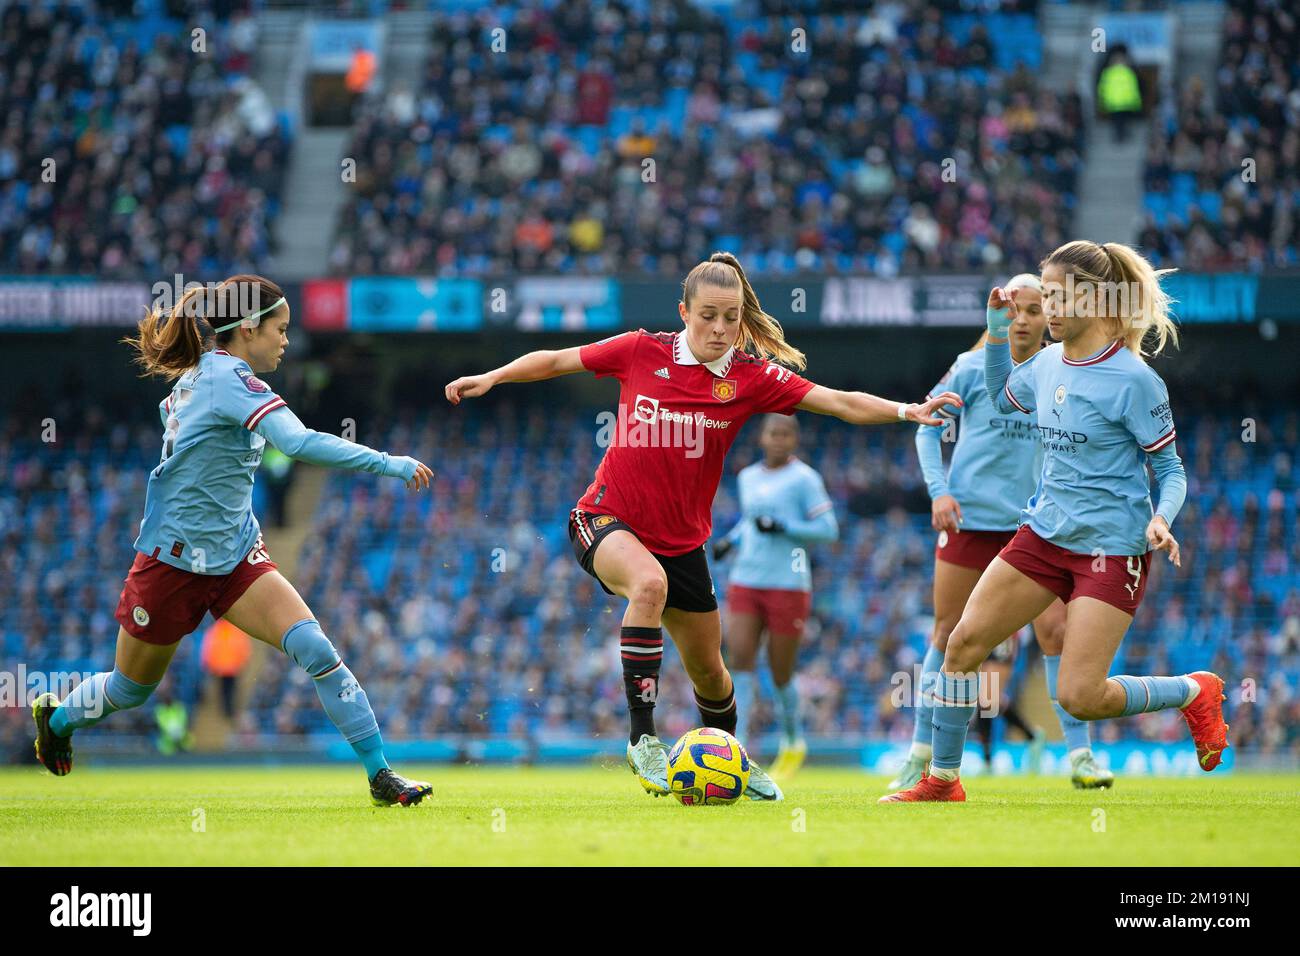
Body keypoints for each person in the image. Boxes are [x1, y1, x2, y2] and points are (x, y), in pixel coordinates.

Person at [445, 251, 960, 801]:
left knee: (712, 674)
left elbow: (835, 402)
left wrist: (908, 411)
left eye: (731, 316)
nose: (720, 328)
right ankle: (642, 741)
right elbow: (554, 360)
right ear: (684, 311)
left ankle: (729, 760)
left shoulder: (749, 376)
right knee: (647, 585)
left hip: (683, 544)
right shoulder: (642, 350)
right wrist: (493, 376)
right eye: (708, 315)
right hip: (604, 517)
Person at [31, 275, 438, 808]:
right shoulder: (226, 379)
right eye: (281, 329)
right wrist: (390, 463)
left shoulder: (202, 378)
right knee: (129, 690)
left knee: (315, 648)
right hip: (171, 563)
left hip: (234, 557)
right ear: (248, 328)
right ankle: (55, 719)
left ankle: (381, 776)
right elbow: (296, 442)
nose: (286, 341)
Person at [882, 241, 1228, 803]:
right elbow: (1001, 394)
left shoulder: (1135, 380)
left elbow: (1170, 469)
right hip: (1042, 536)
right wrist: (997, 334)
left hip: (1111, 549)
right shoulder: (1045, 363)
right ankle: (942, 780)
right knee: (962, 643)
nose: (1048, 309)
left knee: (1080, 695)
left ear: (1092, 299)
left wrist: (1162, 519)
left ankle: (1192, 690)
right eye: (1045, 296)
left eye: (1056, 297)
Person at [888, 274, 1114, 792]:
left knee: (1056, 633)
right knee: (947, 635)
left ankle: (1080, 756)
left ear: (1048, 320)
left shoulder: (1062, 373)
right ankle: (920, 753)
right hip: (967, 522)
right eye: (1014, 309)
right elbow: (927, 425)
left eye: (1034, 310)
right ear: (999, 315)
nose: (1024, 319)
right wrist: (938, 490)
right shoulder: (970, 368)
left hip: (1034, 526)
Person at [713, 413, 838, 780]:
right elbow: (751, 521)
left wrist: (786, 527)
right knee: (740, 662)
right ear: (762, 437)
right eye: (773, 433)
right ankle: (740, 746)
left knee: (781, 671)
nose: (779, 439)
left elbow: (828, 530)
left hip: (789, 583)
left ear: (794, 440)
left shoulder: (805, 479)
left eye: (786, 434)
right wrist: (730, 541)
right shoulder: (748, 477)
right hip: (747, 579)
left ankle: (792, 740)